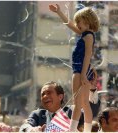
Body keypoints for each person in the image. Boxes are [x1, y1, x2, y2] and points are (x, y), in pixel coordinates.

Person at [49, 4, 100, 132]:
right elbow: (69, 24)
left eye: (79, 21)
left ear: (87, 21)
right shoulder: (84, 34)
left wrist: (83, 74)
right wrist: (59, 11)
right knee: (82, 103)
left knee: (79, 104)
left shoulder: (88, 35)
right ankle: (84, 130)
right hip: (80, 70)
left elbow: (88, 54)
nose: (77, 24)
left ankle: (73, 130)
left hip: (80, 71)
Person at [19, 81, 100, 132]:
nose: (45, 96)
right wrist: (33, 130)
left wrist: (92, 89)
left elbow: (91, 110)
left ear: (60, 97)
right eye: (42, 94)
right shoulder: (37, 114)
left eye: (49, 93)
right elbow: (23, 128)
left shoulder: (72, 111)